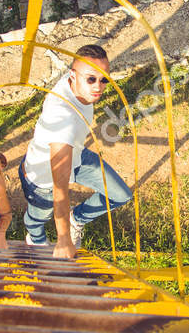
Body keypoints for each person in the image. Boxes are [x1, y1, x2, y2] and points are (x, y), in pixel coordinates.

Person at [19, 44, 133, 259]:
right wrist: (64, 240)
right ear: (72, 75)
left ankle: (77, 218)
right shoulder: (63, 121)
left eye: (104, 79)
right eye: (91, 79)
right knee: (38, 217)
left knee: (120, 195)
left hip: (76, 156)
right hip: (41, 180)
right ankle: (34, 237)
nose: (98, 87)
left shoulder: (73, 82)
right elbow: (59, 189)